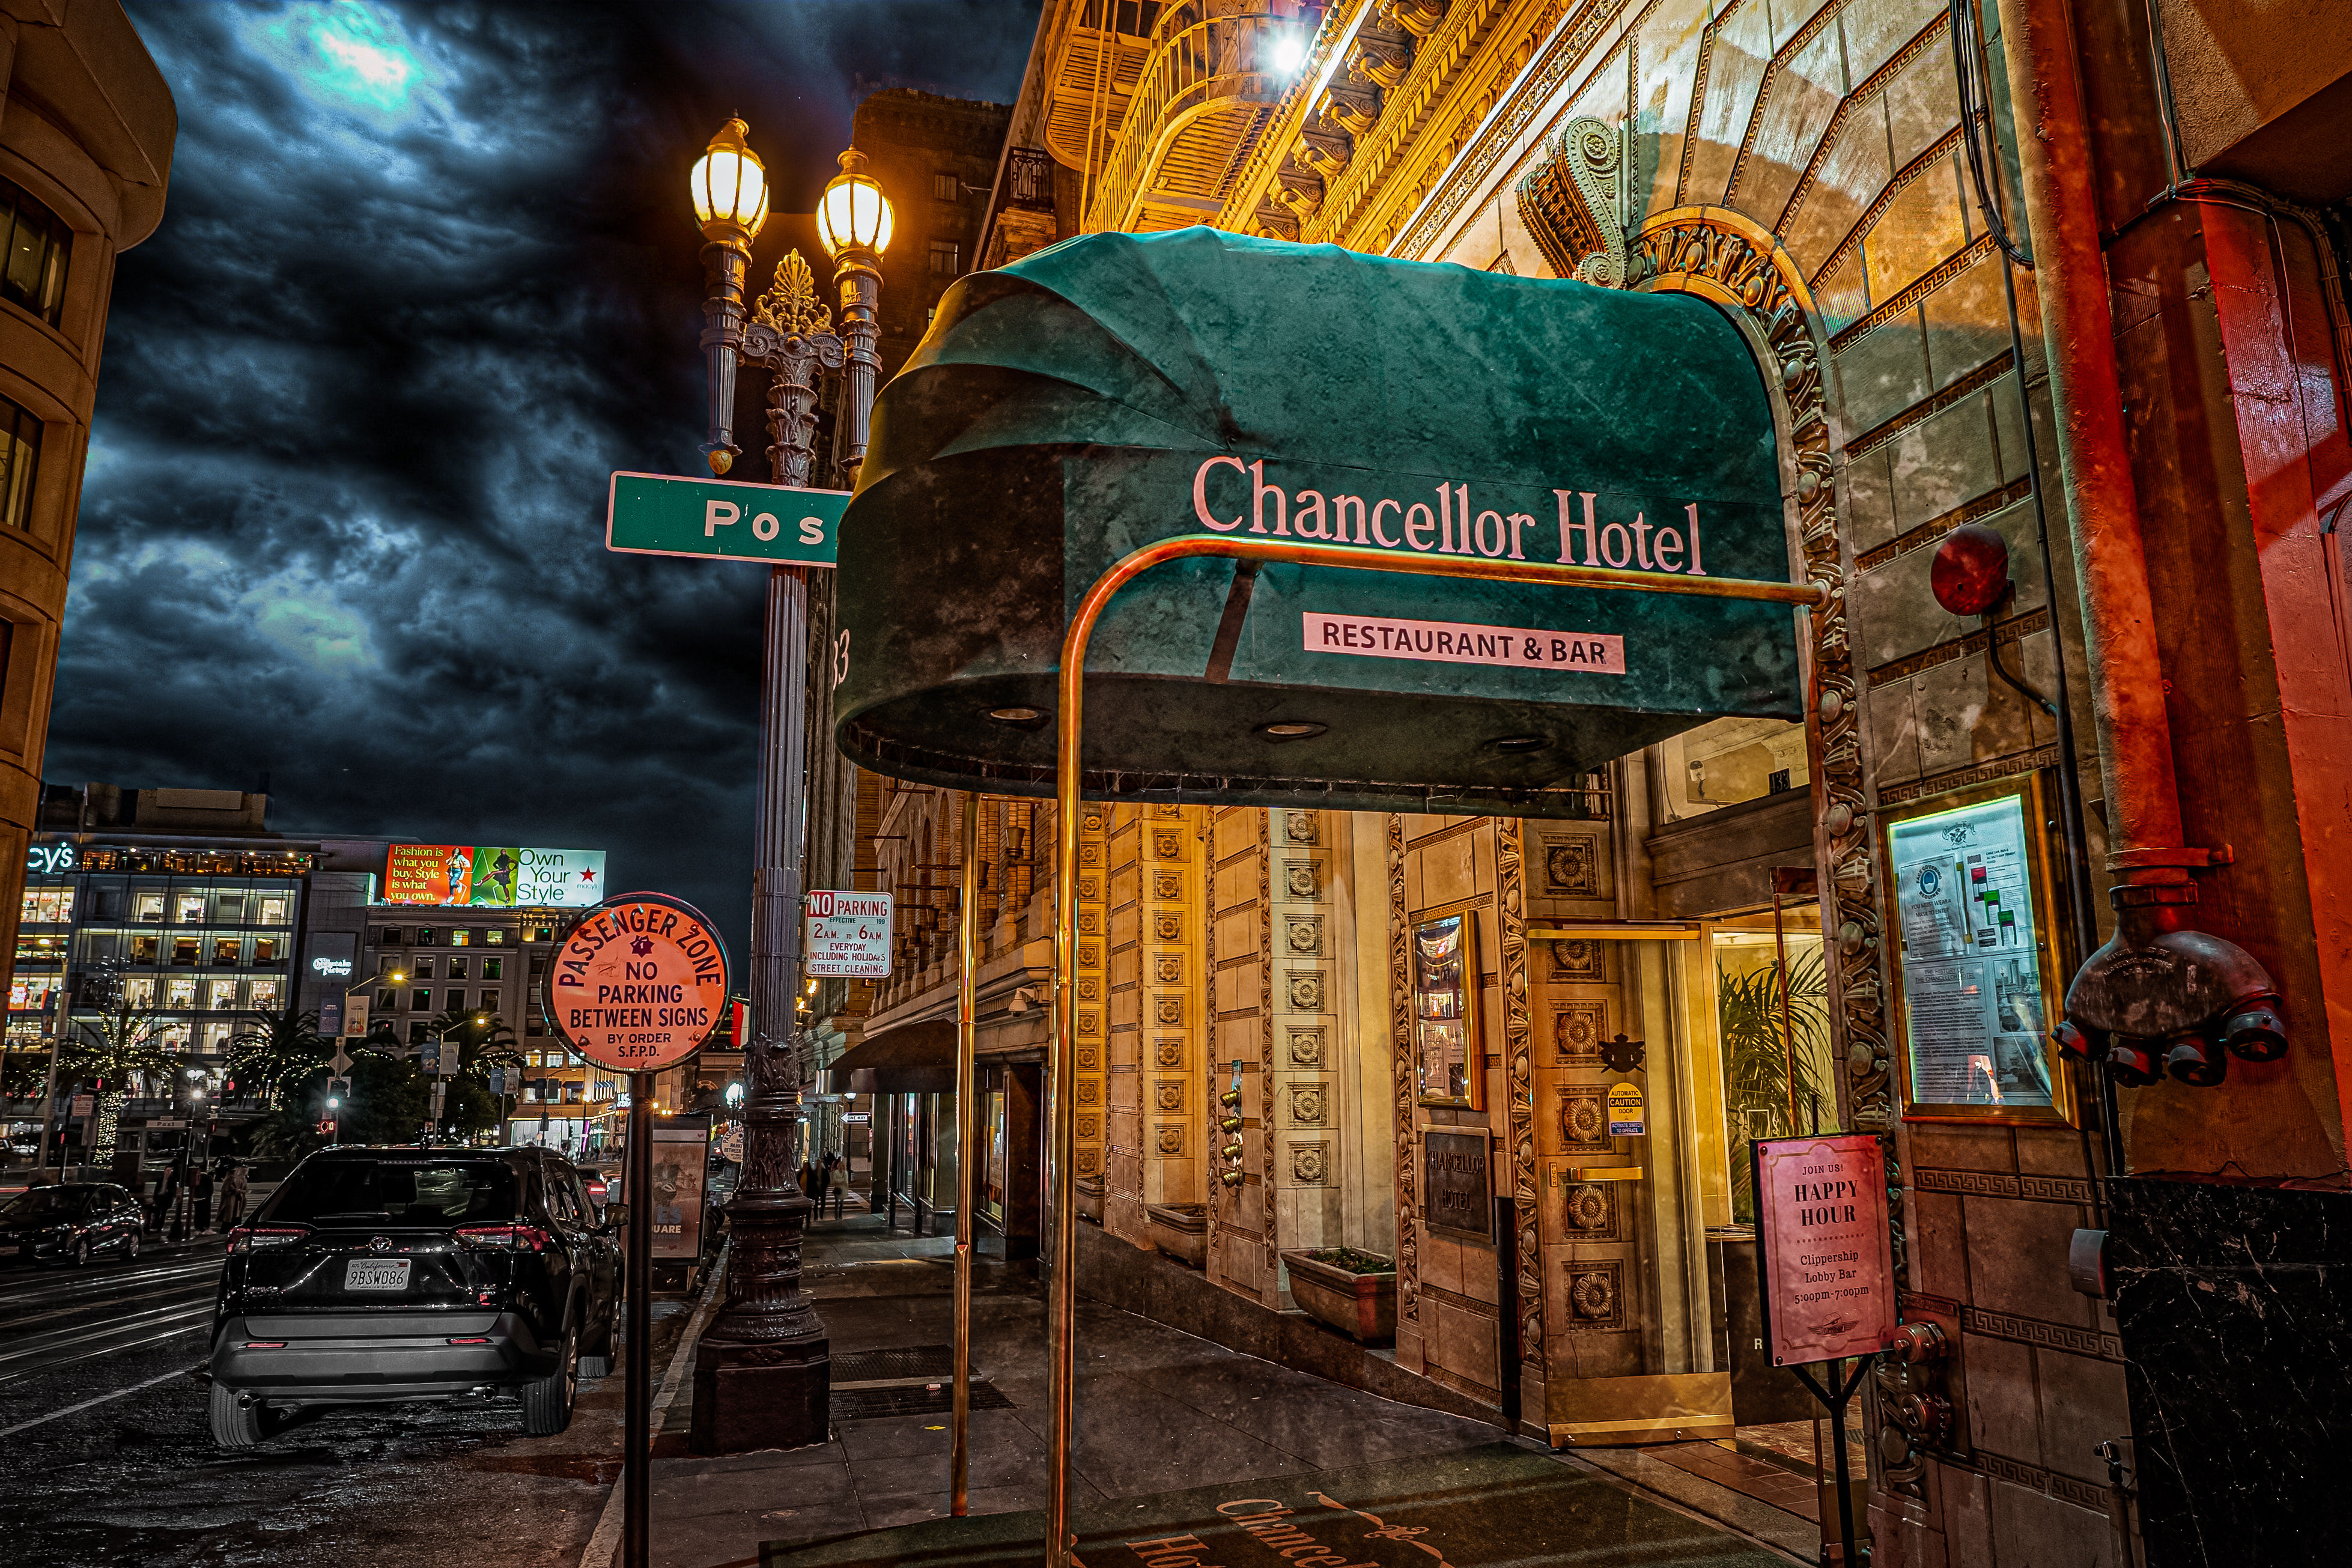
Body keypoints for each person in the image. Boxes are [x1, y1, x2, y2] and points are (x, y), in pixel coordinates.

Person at [217, 1161, 249, 1231]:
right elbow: (225, 1191)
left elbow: (245, 1189)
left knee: (236, 1216)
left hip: (237, 1200)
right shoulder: (229, 1180)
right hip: (230, 1201)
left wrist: (239, 1191)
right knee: (229, 1218)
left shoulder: (243, 1179)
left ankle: (232, 1229)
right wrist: (236, 1191)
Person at [826, 1150, 849, 1220]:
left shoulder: (845, 1173)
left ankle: (840, 1215)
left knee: (841, 1204)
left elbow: (846, 1182)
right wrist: (842, 1181)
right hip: (838, 1189)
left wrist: (844, 1184)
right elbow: (835, 1181)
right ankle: (837, 1216)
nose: (841, 1167)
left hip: (843, 1189)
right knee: (837, 1203)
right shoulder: (836, 1172)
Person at [192, 1164, 214, 1231]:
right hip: (205, 1198)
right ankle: (205, 1225)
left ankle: (197, 1225)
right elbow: (211, 1190)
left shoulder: (197, 1176)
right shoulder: (209, 1177)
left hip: (196, 1197)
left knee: (197, 1212)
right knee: (205, 1212)